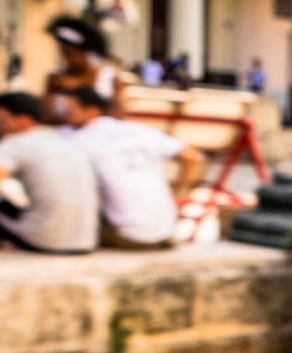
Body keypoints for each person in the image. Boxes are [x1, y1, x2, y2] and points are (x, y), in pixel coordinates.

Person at [52, 84, 201, 250]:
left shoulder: (78, 139)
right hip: (166, 231)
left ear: (91, 111)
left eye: (69, 112)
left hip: (131, 237)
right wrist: (177, 192)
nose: (65, 117)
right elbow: (192, 157)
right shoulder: (139, 130)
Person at [0, 92, 100, 253]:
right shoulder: (64, 141)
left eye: (1, 119)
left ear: (23, 120)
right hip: (86, 243)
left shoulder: (15, 143)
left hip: (45, 243)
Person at [45, 14, 121, 108]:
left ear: (85, 52)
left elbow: (117, 116)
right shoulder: (56, 80)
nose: (66, 59)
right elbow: (45, 117)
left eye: (70, 53)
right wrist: (52, 88)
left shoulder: (109, 78)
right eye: (62, 53)